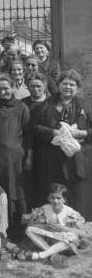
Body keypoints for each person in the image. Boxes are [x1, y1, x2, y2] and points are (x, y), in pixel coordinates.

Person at [33, 70, 90, 210]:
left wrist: (82, 132)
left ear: (78, 87)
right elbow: (35, 127)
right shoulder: (47, 104)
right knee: (55, 191)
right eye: (65, 84)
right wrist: (53, 132)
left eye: (72, 84)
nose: (68, 87)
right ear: (58, 85)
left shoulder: (85, 106)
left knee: (76, 195)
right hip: (53, 159)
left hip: (76, 160)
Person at [0, 74, 31, 223]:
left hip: (16, 157)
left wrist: (29, 155)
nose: (3, 92)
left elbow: (28, 133)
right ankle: (0, 224)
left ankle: (18, 225)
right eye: (0, 89)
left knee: (16, 190)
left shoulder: (22, 107)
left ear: (12, 88)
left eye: (6, 88)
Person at [22, 183, 90, 266]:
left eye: (58, 198)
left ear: (64, 199)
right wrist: (32, 218)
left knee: (71, 236)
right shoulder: (44, 208)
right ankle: (52, 253)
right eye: (52, 198)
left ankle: (41, 255)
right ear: (48, 198)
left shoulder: (70, 213)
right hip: (53, 239)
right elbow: (28, 221)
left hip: (68, 243)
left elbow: (85, 233)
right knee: (29, 229)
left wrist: (63, 228)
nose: (55, 201)